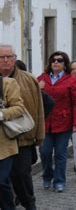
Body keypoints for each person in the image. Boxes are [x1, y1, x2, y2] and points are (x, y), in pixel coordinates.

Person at [0, 44, 44, 209]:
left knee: (22, 178)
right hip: (2, 141)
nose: (5, 61)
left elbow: (39, 107)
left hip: (23, 139)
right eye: (1, 57)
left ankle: (29, 205)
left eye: (8, 57)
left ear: (15, 59)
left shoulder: (28, 79)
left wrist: (39, 135)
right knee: (3, 181)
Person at [37, 51, 76, 192]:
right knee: (44, 152)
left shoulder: (71, 80)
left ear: (65, 64)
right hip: (45, 122)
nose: (56, 62)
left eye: (60, 60)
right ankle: (47, 176)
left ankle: (59, 181)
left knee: (60, 154)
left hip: (64, 122)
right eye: (53, 60)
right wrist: (38, 88)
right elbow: (33, 97)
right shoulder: (41, 78)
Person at [0, 75, 25, 210]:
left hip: (4, 145)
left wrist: (2, 114)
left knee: (1, 181)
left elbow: (19, 108)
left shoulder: (7, 83)